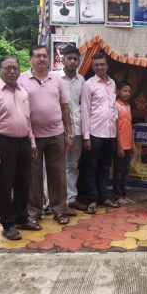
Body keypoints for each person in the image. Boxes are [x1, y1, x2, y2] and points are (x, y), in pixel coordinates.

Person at [0, 56, 41, 240]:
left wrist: (32, 142)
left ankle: (22, 218)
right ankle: (7, 225)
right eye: (8, 68)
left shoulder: (24, 93)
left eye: (15, 68)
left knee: (23, 183)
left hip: (23, 142)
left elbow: (28, 120)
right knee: (4, 186)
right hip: (2, 143)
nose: (12, 71)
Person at [18, 45, 74, 225]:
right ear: (30, 59)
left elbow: (64, 107)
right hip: (32, 137)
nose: (42, 59)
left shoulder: (56, 79)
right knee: (33, 175)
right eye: (37, 56)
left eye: (44, 56)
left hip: (56, 134)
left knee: (58, 174)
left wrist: (69, 133)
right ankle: (34, 211)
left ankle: (59, 209)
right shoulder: (21, 79)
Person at [81, 52, 120, 213]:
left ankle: (103, 197)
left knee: (105, 167)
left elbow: (113, 108)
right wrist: (86, 137)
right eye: (96, 65)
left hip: (110, 133)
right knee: (91, 167)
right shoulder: (88, 85)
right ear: (92, 67)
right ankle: (92, 199)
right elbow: (85, 110)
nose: (99, 67)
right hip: (94, 133)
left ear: (107, 66)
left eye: (102, 64)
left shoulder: (112, 83)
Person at [59, 45, 88, 212]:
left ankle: (71, 198)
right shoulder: (54, 78)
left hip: (77, 128)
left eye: (75, 59)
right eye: (69, 58)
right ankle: (55, 200)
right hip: (58, 129)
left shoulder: (81, 80)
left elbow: (82, 105)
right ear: (63, 59)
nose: (72, 61)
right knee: (55, 165)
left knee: (73, 165)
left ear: (79, 61)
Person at [113, 81, 135, 204]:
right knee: (118, 171)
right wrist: (119, 146)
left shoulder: (128, 106)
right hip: (120, 145)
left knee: (125, 171)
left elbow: (129, 125)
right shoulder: (115, 105)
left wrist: (133, 144)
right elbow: (116, 127)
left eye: (129, 91)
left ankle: (124, 194)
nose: (127, 93)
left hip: (128, 144)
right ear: (118, 92)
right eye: (124, 91)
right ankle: (117, 195)